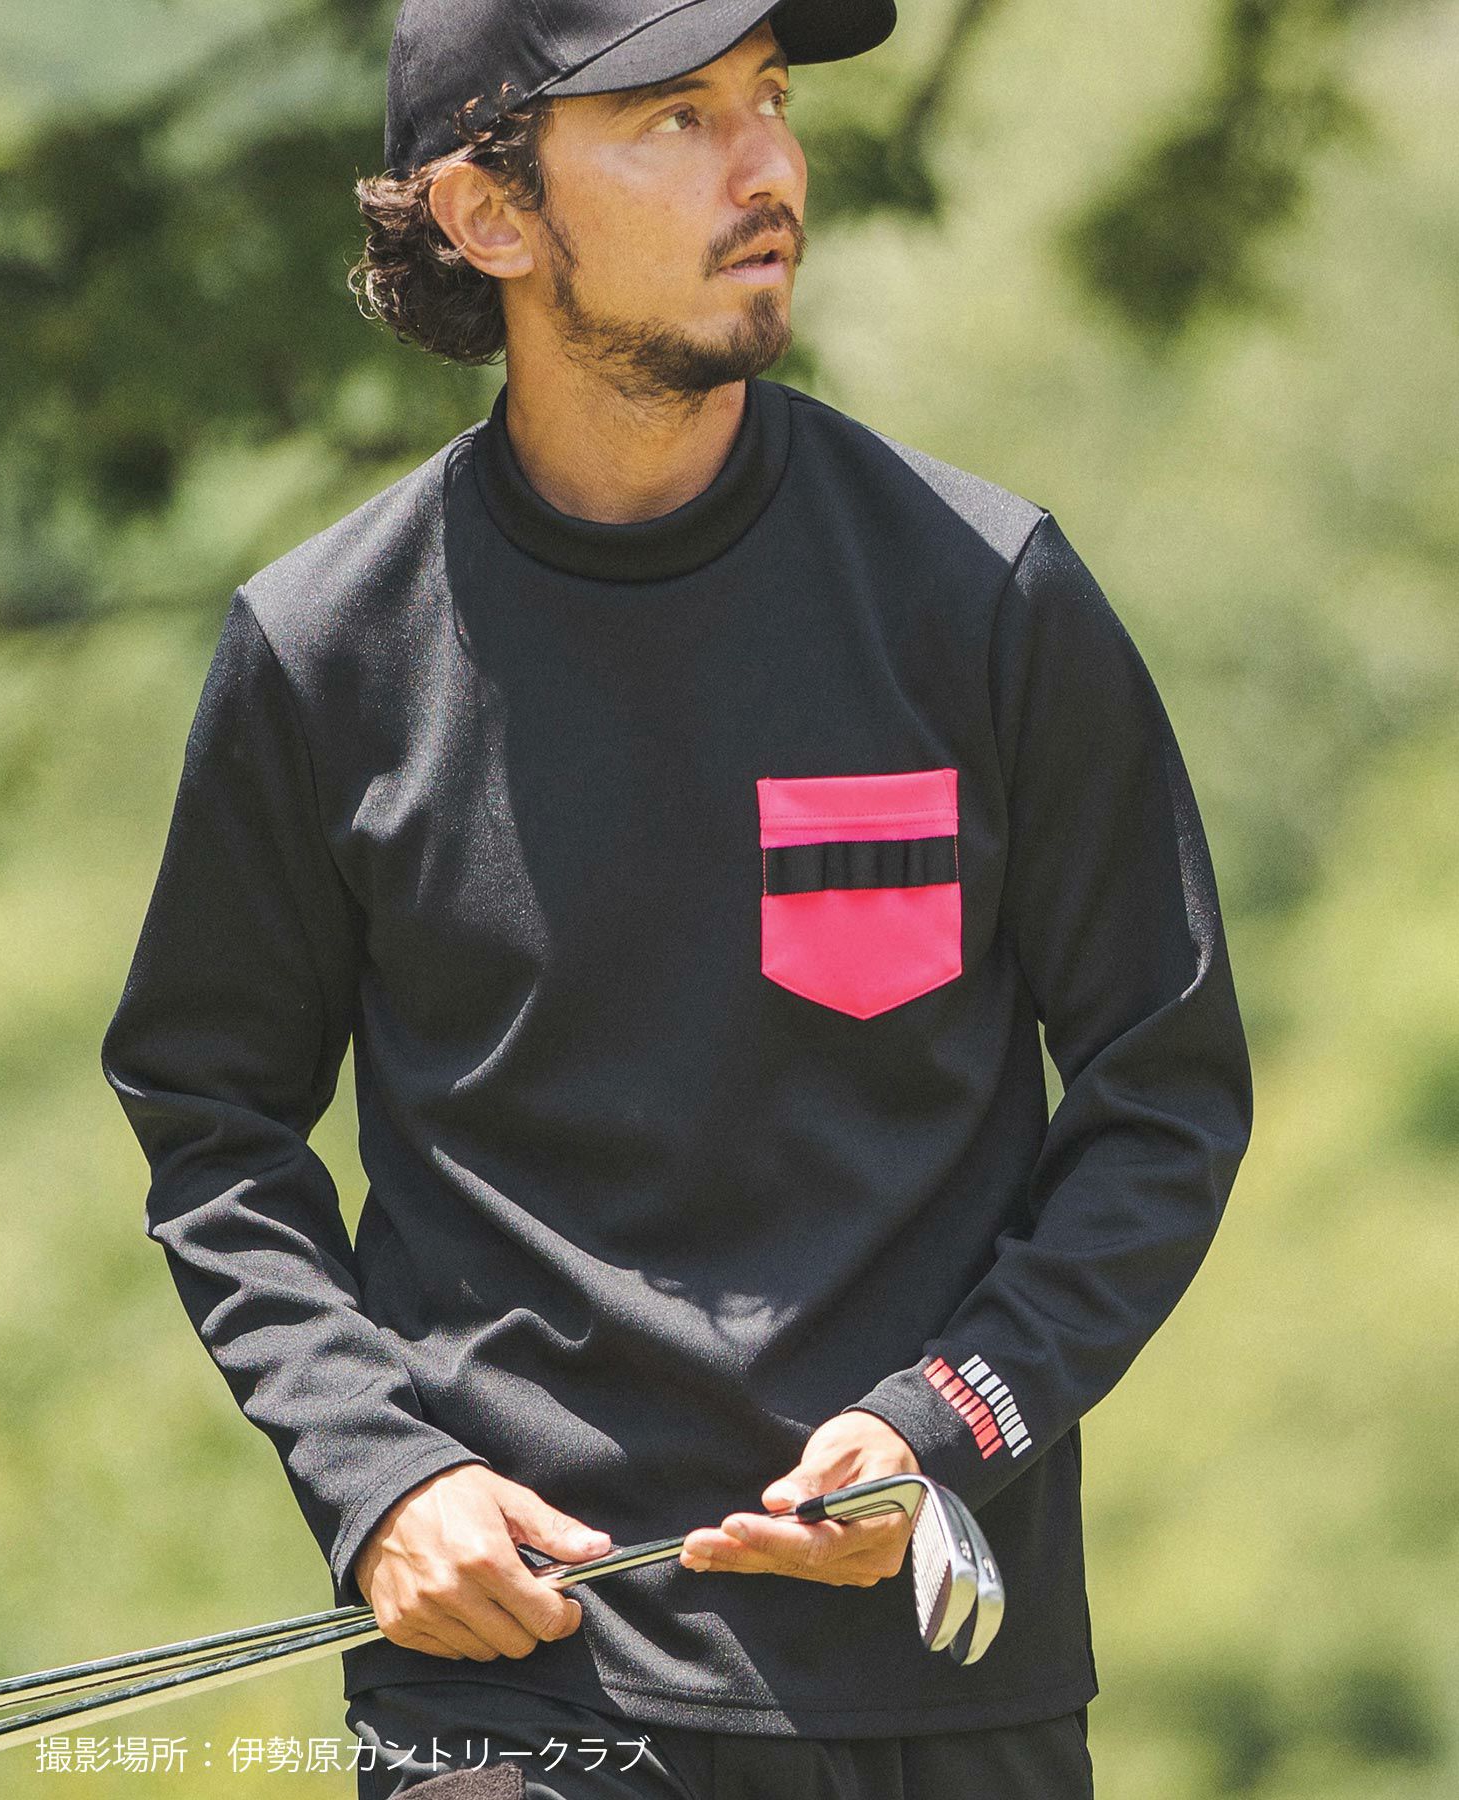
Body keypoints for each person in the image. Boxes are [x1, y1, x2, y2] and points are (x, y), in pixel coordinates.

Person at [99, 0, 1255, 1794]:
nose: (770, 163)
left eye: (768, 98)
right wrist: (381, 1477)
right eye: (676, 117)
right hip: (508, 1694)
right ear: (489, 213)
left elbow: (1164, 1096)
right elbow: (213, 1128)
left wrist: (950, 1424)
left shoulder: (985, 594)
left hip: (938, 1689)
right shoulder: (321, 652)